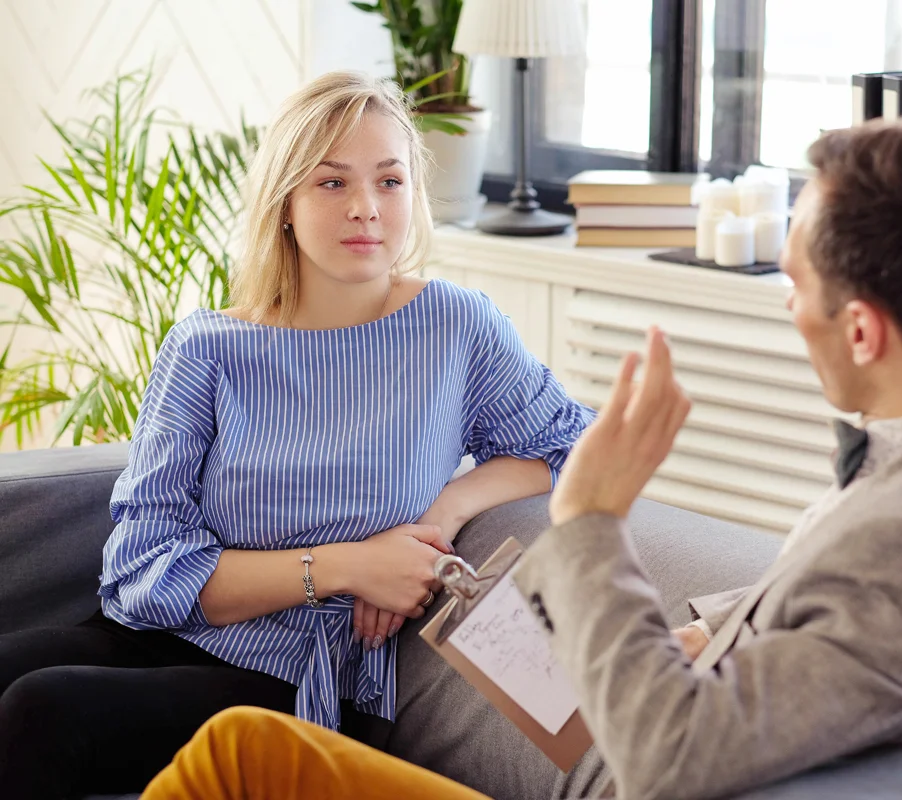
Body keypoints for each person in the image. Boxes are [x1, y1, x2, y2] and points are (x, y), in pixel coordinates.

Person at [141, 114, 902, 800]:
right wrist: (712, 634)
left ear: (865, 330)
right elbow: (847, 643)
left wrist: (591, 518)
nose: (787, 308)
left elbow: (665, 755)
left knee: (236, 750)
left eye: (795, 284)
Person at [0, 71, 594, 799]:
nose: (368, 210)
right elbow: (139, 569)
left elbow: (572, 447)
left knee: (43, 711)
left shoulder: (455, 328)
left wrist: (437, 516)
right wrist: (348, 566)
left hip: (297, 679)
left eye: (390, 181)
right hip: (157, 632)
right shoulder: (207, 349)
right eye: (332, 183)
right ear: (285, 202)